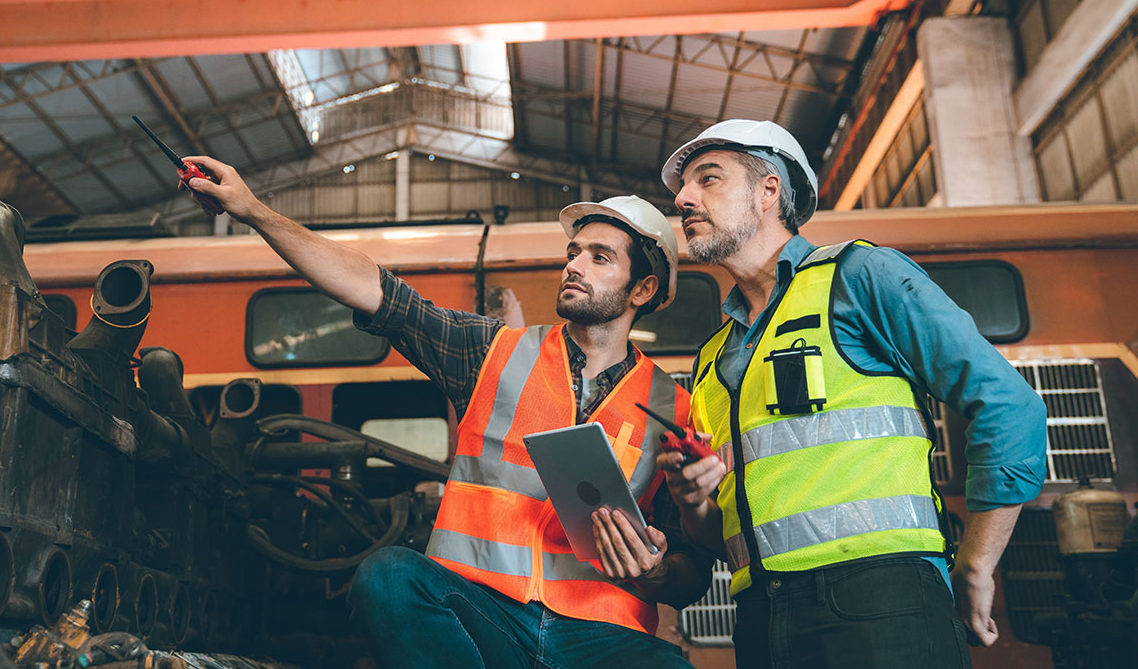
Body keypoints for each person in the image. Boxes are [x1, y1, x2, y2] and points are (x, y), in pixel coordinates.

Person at [178, 156, 714, 669]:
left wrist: (656, 570)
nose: (573, 264)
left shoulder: (676, 409)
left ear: (642, 288)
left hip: (598, 639)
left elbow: (692, 575)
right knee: (387, 576)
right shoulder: (491, 354)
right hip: (482, 614)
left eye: (599, 257)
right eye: (574, 252)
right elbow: (376, 292)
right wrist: (252, 210)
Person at [654, 120, 1048, 668]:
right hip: (761, 620)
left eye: (708, 179)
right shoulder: (714, 359)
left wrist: (978, 563)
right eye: (684, 188)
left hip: (882, 603)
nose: (683, 198)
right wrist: (693, 500)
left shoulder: (861, 277)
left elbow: (1008, 405)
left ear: (769, 192)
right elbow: (722, 538)